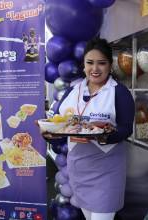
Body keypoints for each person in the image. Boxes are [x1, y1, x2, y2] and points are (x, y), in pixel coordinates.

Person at [43, 38, 135, 220]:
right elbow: (60, 125)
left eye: (101, 63)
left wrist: (103, 135)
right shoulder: (72, 92)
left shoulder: (119, 92)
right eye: (90, 63)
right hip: (78, 170)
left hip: (106, 172)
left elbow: (126, 129)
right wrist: (49, 133)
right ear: (83, 65)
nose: (95, 69)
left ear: (110, 65)